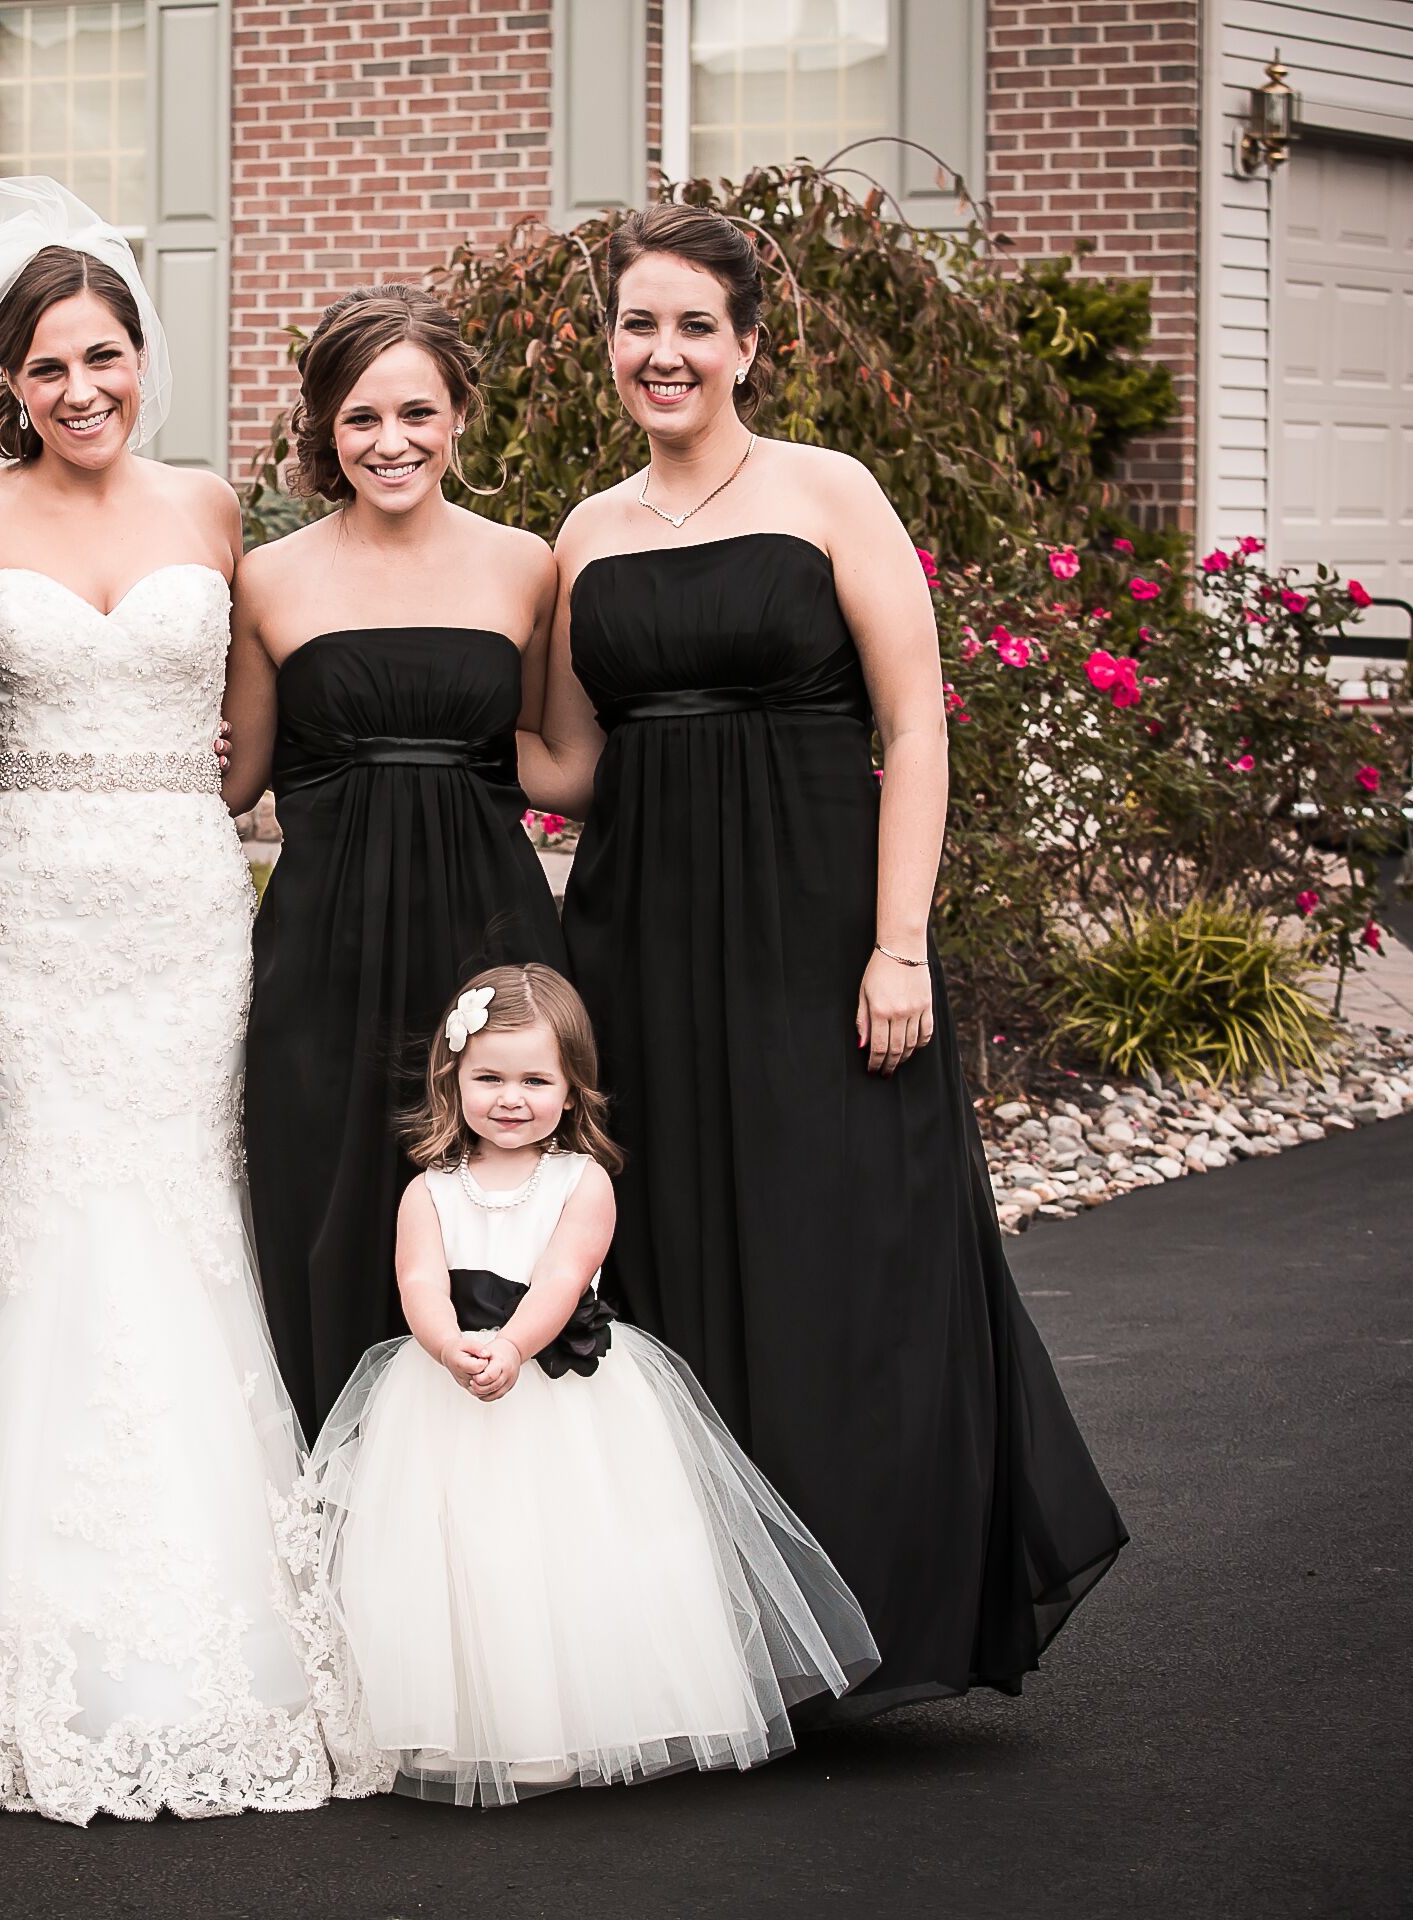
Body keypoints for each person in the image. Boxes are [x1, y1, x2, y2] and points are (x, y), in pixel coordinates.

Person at [514, 202, 1126, 1717]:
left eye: (693, 327)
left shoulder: (829, 492)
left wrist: (899, 946)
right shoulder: (586, 532)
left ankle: (875, 1612)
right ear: (609, 344)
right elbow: (571, 766)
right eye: (637, 325)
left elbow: (913, 723)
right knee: (680, 1252)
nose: (664, 353)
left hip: (814, 929)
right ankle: (723, 1635)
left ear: (748, 346)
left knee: (846, 1248)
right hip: (642, 935)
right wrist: (383, 726)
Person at [0, 180, 375, 1831]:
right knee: (37, 1214)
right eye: (46, 370)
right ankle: (12, 1622)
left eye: (104, 359)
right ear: (5, 384)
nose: (79, 392)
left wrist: (158, 815)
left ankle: (230, 1610)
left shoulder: (213, 509)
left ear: (143, 358)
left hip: (173, 902)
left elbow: (246, 737)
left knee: (184, 1206)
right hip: (17, 899)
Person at [305, 964, 878, 1802]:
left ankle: (555, 1728)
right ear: (452, 1080)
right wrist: (446, 1346)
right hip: (447, 1389)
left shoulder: (582, 1182)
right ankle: (444, 1724)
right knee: (456, 1559)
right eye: (489, 1078)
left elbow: (564, 1279)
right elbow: (419, 1282)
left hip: (558, 1390)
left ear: (573, 1090)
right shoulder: (429, 1190)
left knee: (558, 1556)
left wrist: (511, 1346)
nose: (512, 1097)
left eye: (537, 1079)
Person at [226, 283, 568, 1436]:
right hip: (321, 945)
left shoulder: (527, 565)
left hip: (488, 934)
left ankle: (492, 1480)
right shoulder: (268, 580)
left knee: (500, 1199)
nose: (392, 442)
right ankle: (335, 1477)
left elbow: (557, 760)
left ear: (460, 414)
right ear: (326, 427)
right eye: (362, 418)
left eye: (417, 413)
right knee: (325, 1203)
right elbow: (235, 781)